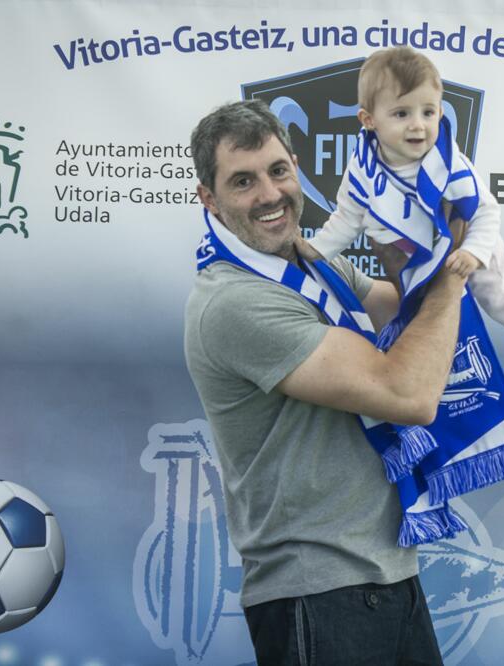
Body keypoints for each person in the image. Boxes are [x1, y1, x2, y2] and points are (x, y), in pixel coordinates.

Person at [185, 99, 467, 664]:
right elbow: (408, 392)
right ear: (209, 201)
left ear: (296, 166)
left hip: (384, 571)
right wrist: (453, 274)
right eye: (243, 182)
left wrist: (414, 235)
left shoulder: (312, 263)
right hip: (318, 592)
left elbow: (401, 316)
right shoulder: (236, 302)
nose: (269, 194)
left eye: (278, 170)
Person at [298, 46, 504, 401]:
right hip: (412, 258)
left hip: (464, 243)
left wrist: (474, 253)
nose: (418, 125)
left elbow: (486, 212)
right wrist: (316, 250)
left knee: (502, 294)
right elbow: (347, 218)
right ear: (369, 120)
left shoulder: (447, 162)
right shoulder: (363, 166)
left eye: (428, 112)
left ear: (440, 111)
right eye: (401, 113)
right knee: (424, 328)